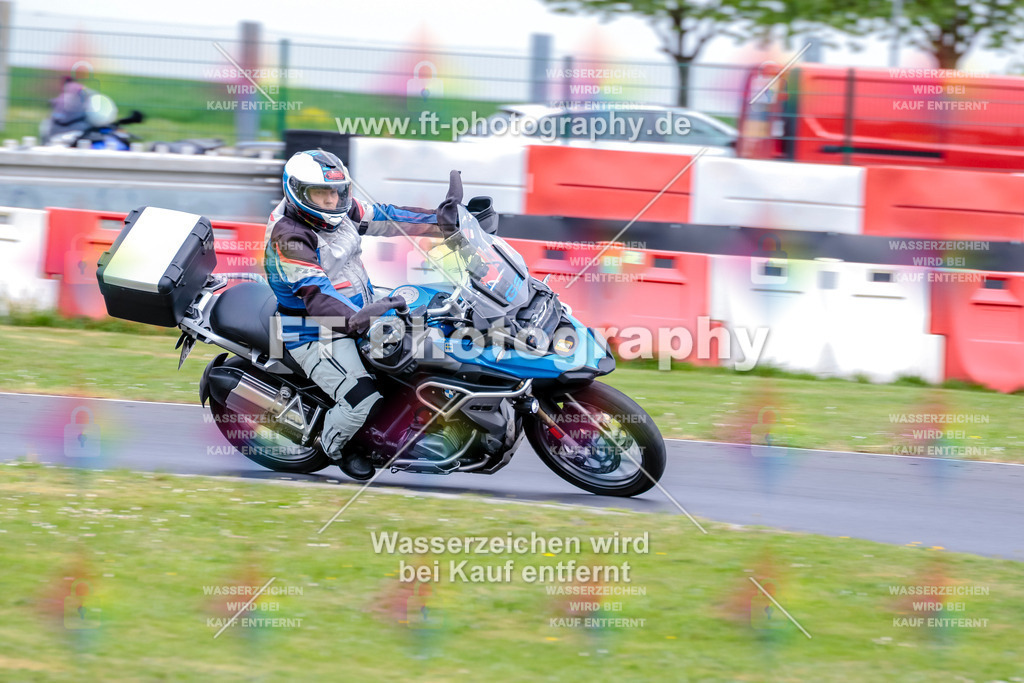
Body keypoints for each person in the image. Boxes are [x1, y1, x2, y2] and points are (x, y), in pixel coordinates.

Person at [264, 149, 457, 479]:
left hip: (362, 306)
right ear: (296, 192)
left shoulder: (341, 210)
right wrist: (366, 322)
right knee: (360, 400)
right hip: (313, 330)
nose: (330, 201)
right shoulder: (291, 238)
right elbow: (318, 299)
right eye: (320, 194)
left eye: (335, 193)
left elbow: (387, 217)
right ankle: (336, 448)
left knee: (434, 331)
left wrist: (440, 222)